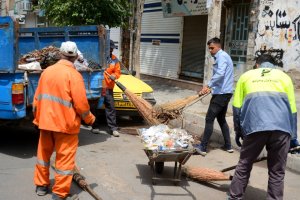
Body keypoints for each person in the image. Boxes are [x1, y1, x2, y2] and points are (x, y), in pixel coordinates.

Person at [228, 54, 297, 200]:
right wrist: (294, 137)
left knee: (244, 165)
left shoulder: (246, 76)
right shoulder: (284, 77)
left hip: (255, 127)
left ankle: (235, 198)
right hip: (282, 128)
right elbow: (292, 110)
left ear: (257, 65)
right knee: (277, 171)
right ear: (273, 66)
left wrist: (238, 131)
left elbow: (236, 107)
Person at [33, 41, 95, 200]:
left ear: (60, 54)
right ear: (74, 57)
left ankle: (41, 185)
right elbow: (81, 105)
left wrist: (36, 118)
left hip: (45, 122)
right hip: (65, 126)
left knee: (43, 155)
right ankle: (59, 194)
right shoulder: (74, 76)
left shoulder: (46, 72)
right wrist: (90, 119)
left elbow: (37, 98)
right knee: (64, 160)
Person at [194, 37, 234, 156]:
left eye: (212, 48)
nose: (210, 50)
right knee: (221, 119)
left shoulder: (221, 56)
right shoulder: (223, 56)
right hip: (224, 93)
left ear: (218, 46)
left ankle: (203, 147)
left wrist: (208, 85)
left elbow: (220, 73)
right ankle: (228, 146)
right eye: (209, 48)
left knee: (209, 119)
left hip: (221, 94)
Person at [91, 40, 121, 137]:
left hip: (108, 87)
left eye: (112, 48)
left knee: (110, 107)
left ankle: (113, 128)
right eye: (110, 48)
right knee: (94, 107)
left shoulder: (114, 59)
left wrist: (114, 75)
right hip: (98, 86)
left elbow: (118, 72)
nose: (111, 50)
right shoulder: (98, 57)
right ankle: (95, 126)